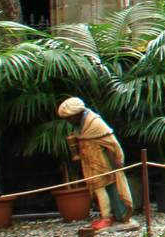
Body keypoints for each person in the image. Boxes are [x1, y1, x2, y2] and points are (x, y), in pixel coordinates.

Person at [56, 98, 134, 229]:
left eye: (69, 118)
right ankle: (109, 215)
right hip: (89, 163)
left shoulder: (94, 123)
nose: (68, 121)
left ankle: (107, 217)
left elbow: (112, 142)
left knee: (100, 188)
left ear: (77, 114)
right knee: (99, 189)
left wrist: (119, 158)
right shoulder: (80, 126)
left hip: (100, 163)